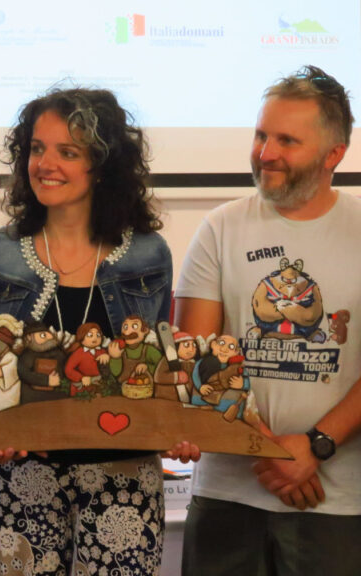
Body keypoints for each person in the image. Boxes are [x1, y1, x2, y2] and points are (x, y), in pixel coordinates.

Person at [0, 88, 176, 575]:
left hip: (124, 474)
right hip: (21, 474)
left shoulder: (150, 254)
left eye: (68, 152)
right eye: (37, 149)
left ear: (101, 165)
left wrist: (180, 422)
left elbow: (159, 362)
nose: (46, 164)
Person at [175, 65, 361, 575]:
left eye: (287, 141)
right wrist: (267, 448)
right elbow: (195, 357)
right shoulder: (220, 228)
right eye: (261, 135)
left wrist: (315, 445)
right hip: (227, 496)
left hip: (336, 502)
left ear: (334, 154)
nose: (265, 153)